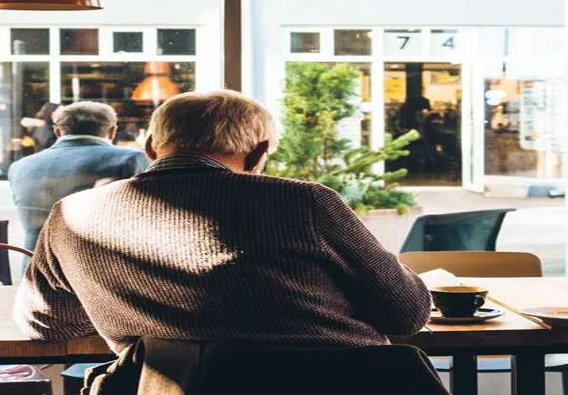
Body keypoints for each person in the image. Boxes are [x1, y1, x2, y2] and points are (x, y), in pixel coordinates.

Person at [14, 90, 431, 355]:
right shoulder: (305, 201)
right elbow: (407, 313)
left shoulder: (72, 214)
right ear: (259, 154)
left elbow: (45, 323)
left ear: (151, 148)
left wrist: (130, 309)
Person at [8, 101, 150, 257]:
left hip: (34, 265)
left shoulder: (19, 166)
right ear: (112, 131)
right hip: (99, 266)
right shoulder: (129, 159)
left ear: (57, 132)